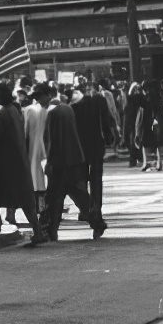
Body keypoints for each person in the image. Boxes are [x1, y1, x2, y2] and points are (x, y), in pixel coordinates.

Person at [0, 82, 47, 244]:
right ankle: (37, 231)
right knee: (26, 199)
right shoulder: (14, 110)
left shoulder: (0, 113)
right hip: (18, 161)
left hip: (3, 164)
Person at [44, 89, 107, 241]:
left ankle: (51, 229)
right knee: (79, 197)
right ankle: (96, 223)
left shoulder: (53, 114)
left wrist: (49, 163)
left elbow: (51, 141)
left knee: (55, 197)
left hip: (60, 163)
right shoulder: (68, 111)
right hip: (74, 160)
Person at [71, 76, 115, 224]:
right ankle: (96, 209)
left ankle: (86, 209)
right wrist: (109, 137)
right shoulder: (99, 100)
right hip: (96, 144)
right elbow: (105, 121)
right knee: (96, 179)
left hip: (80, 145)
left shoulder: (75, 103)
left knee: (81, 179)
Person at [22, 83, 51, 223]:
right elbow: (25, 134)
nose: (38, 99)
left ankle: (43, 212)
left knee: (40, 184)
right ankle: (42, 212)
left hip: (41, 152)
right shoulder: (30, 110)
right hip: (38, 152)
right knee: (39, 184)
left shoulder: (50, 110)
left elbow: (25, 134)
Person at [136, 80, 163, 171]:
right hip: (157, 121)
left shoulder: (148, 97)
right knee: (157, 142)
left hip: (148, 122)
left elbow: (144, 106)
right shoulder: (158, 97)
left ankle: (146, 163)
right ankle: (159, 162)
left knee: (144, 143)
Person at [122, 82, 144, 168]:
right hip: (131, 122)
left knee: (135, 141)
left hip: (136, 122)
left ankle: (135, 159)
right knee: (133, 141)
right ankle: (135, 159)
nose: (136, 90)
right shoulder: (130, 98)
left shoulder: (139, 98)